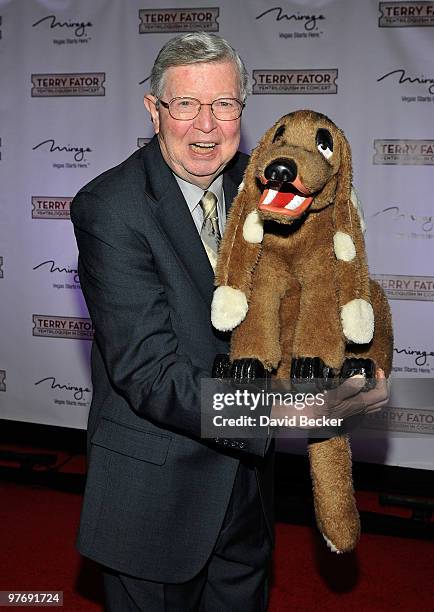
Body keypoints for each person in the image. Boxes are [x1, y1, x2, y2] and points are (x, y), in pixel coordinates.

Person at [71, 32, 388, 611]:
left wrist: (350, 362)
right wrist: (300, 410)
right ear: (153, 109)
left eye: (223, 105)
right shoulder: (109, 208)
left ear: (244, 109)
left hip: (246, 491)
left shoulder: (270, 183)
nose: (205, 125)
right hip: (154, 497)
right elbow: (149, 373)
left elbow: (311, 292)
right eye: (185, 104)